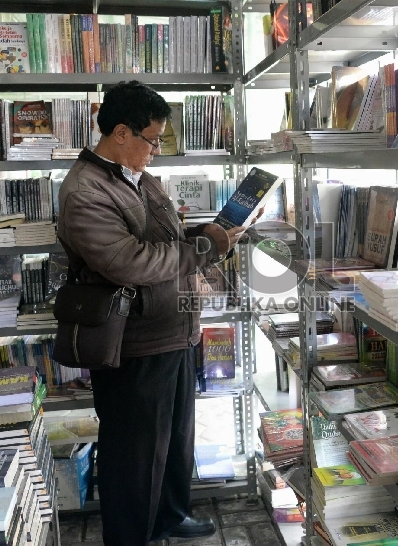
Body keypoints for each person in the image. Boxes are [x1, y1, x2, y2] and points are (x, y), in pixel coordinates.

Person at [56, 81, 244, 546]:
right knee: (135, 455)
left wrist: (208, 231)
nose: (158, 150)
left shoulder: (135, 175)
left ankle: (170, 516)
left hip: (174, 330)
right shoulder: (86, 190)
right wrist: (204, 248)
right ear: (122, 132)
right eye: (153, 139)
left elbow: (169, 239)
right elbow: (130, 261)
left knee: (177, 440)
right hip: (134, 342)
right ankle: (131, 537)